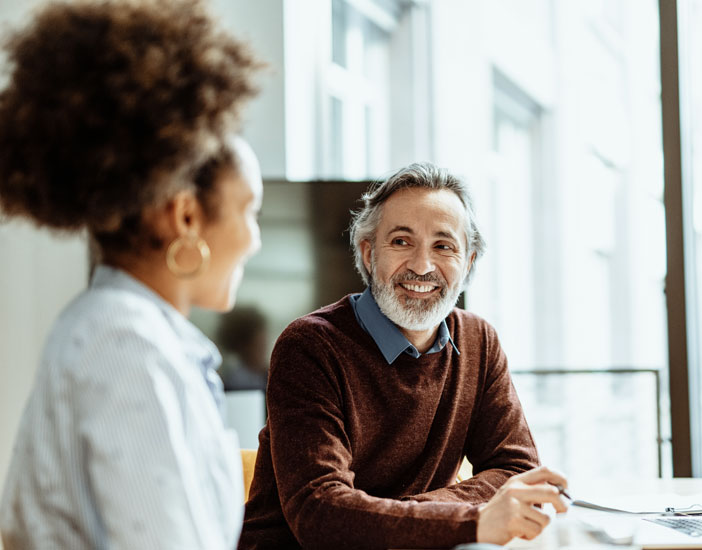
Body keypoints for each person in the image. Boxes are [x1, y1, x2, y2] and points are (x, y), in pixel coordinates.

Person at [0, 1, 263, 548]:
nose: (254, 239)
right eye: (250, 212)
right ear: (186, 216)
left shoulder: (121, 329)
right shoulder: (127, 346)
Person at [240, 163, 569, 549]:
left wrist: (388, 517)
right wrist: (473, 518)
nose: (422, 265)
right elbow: (320, 514)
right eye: (400, 241)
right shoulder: (310, 346)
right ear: (367, 254)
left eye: (444, 246)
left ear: (469, 263)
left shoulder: (480, 341)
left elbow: (516, 470)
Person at [216, 305, 270, 392]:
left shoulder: (270, 376)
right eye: (259, 346)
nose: (264, 351)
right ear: (243, 347)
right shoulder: (231, 382)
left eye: (264, 345)